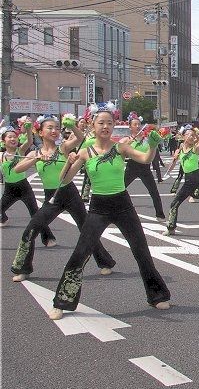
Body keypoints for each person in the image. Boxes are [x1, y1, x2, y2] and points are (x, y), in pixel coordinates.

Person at [47, 102, 171, 320]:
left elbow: (145, 159)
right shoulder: (85, 152)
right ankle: (62, 301)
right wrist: (68, 162)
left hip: (123, 205)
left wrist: (152, 146)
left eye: (109, 123)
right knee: (80, 253)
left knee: (141, 251)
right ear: (92, 126)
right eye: (101, 123)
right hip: (98, 207)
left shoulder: (120, 148)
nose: (105, 126)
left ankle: (157, 295)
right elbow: (64, 180)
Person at [10, 114, 117, 282]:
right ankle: (23, 268)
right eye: (50, 128)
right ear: (40, 132)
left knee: (87, 230)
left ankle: (105, 262)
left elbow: (80, 138)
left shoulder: (63, 148)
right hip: (51, 197)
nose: (54, 131)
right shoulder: (34, 153)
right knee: (30, 230)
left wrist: (72, 125)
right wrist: (35, 159)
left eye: (57, 128)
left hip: (70, 194)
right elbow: (17, 169)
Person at [1, 122, 57, 247]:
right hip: (9, 189)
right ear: (3, 141)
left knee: (35, 214)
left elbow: (30, 141)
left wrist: (28, 129)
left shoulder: (20, 151)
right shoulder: (1, 156)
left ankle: (48, 238)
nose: (13, 139)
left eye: (14, 137)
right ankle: (3, 218)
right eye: (9, 137)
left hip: (24, 187)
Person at [123, 112, 166, 222]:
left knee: (154, 191)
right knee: (120, 188)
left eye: (139, 124)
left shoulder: (147, 139)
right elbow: (118, 151)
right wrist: (127, 144)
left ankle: (160, 215)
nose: (138, 126)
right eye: (135, 124)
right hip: (132, 166)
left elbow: (153, 151)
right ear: (130, 127)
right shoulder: (126, 139)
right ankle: (112, 210)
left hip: (145, 167)